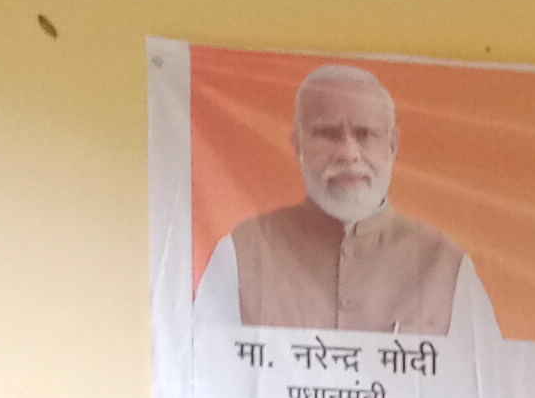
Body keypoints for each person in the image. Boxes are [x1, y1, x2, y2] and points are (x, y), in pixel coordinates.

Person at [204, 62, 477, 334]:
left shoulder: (445, 265)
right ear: (298, 144)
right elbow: (201, 356)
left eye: (365, 134)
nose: (348, 153)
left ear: (392, 145)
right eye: (328, 134)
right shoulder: (244, 252)